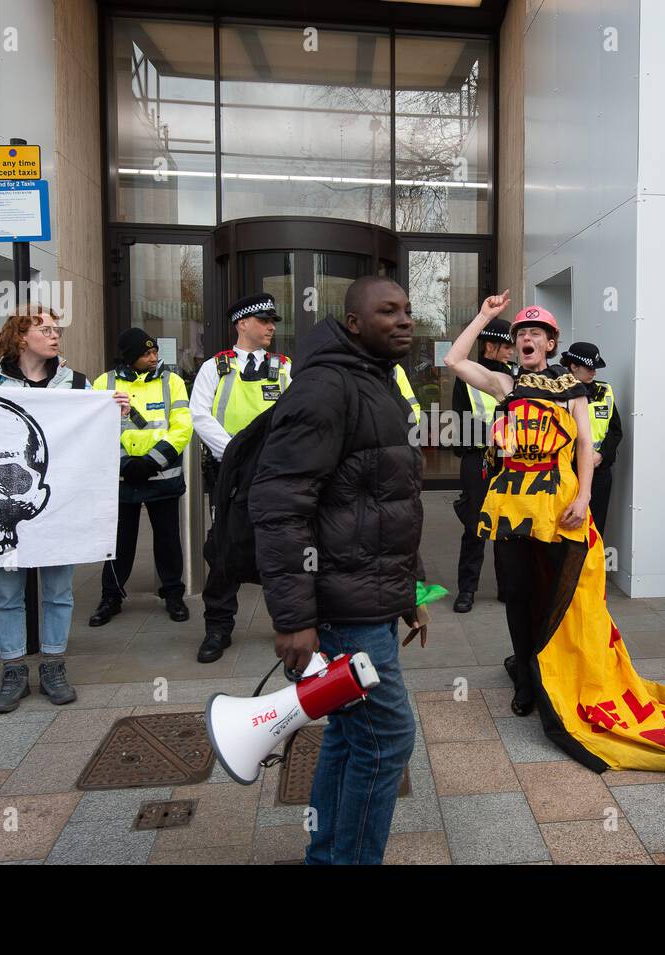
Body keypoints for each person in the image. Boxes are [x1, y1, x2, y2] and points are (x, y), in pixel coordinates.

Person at [446, 294, 665, 775]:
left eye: (536, 333)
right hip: (514, 504)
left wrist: (584, 496)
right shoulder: (506, 384)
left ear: (551, 343)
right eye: (522, 332)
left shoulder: (573, 389)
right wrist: (484, 316)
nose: (527, 337)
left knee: (561, 589)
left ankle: (554, 671)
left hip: (560, 502)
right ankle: (527, 677)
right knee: (518, 592)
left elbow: (586, 443)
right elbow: (453, 359)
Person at [251, 276, 424, 865]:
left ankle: (328, 853)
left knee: (353, 734)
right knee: (388, 735)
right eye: (387, 311)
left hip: (371, 594)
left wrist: (410, 590)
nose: (404, 320)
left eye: (406, 309)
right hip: (344, 604)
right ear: (353, 323)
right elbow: (280, 504)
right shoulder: (327, 387)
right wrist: (294, 616)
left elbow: (384, 498)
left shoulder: (374, 378)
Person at [0, 305, 127, 712]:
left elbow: (99, 443)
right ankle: (12, 670)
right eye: (44, 328)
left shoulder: (78, 383)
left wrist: (115, 416)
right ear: (21, 337)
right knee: (7, 591)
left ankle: (53, 665)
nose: (55, 334)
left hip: (60, 504)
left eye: (56, 328)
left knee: (58, 590)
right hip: (3, 505)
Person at [190, 293, 290, 663]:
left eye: (272, 321)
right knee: (225, 548)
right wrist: (234, 452)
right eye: (264, 321)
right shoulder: (215, 367)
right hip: (229, 472)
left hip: (273, 471)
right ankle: (218, 627)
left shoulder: (283, 366)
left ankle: (288, 625)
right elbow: (198, 413)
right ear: (242, 324)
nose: (271, 327)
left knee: (280, 547)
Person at [89, 328, 193, 628]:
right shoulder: (104, 383)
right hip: (121, 478)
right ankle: (111, 596)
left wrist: (151, 461)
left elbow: (182, 427)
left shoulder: (172, 381)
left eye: (154, 351)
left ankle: (173, 593)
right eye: (146, 353)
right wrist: (125, 463)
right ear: (130, 356)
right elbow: (95, 429)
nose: (153, 357)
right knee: (118, 541)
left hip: (161, 474)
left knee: (168, 540)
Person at [450, 318, 513, 614]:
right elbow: (461, 422)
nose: (512, 350)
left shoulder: (518, 376)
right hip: (478, 459)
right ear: (491, 345)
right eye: (507, 345)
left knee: (507, 526)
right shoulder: (468, 374)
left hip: (509, 459)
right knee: (474, 526)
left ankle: (506, 587)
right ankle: (467, 590)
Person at [562, 342, 624, 534]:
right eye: (590, 368)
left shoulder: (605, 391)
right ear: (573, 366)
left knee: (594, 528)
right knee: (567, 527)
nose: (594, 372)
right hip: (568, 471)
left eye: (596, 368)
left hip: (599, 472)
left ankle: (592, 564)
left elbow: (615, 431)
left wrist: (601, 455)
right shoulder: (558, 392)